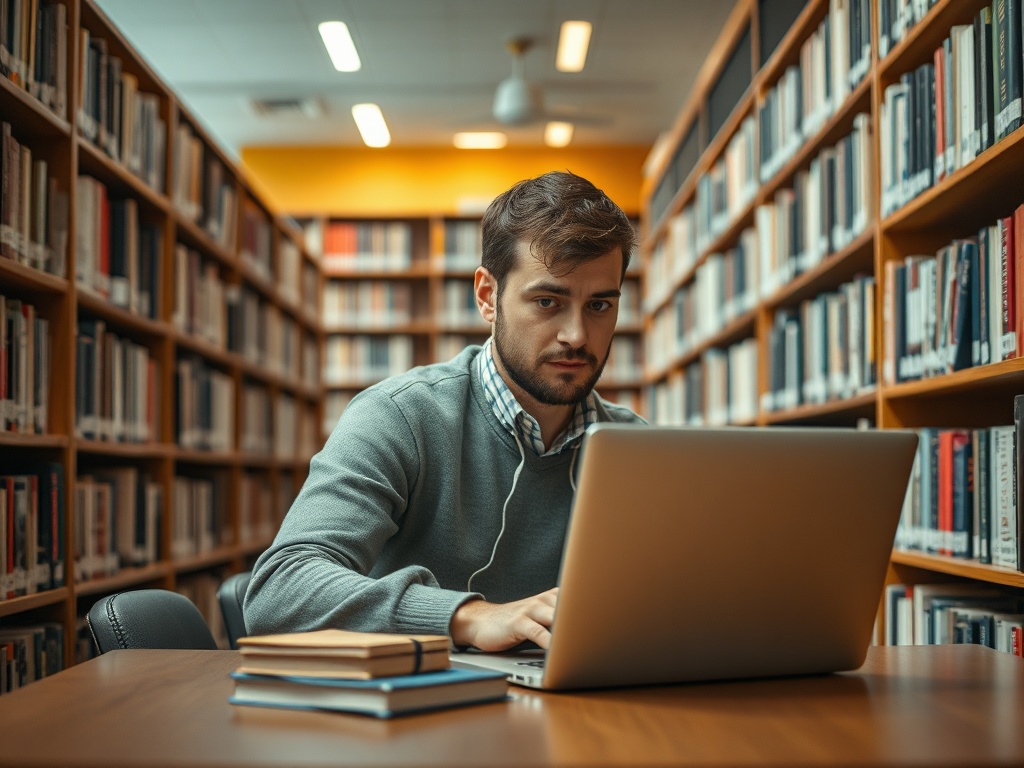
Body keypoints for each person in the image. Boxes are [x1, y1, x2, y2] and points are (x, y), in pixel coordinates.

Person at [244, 170, 645, 652]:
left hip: (579, 709)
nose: (576, 335)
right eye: (547, 301)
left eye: (600, 306)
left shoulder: (636, 448)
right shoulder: (399, 417)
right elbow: (277, 591)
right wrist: (467, 617)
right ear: (487, 297)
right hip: (414, 709)